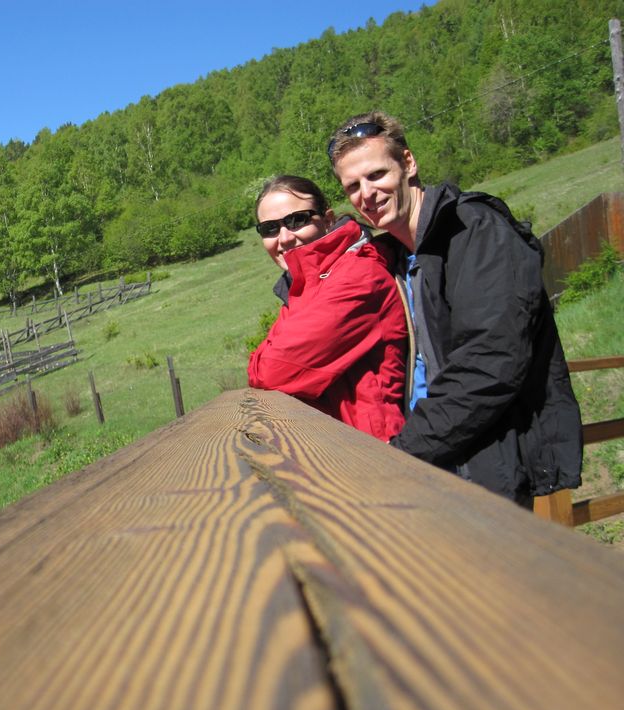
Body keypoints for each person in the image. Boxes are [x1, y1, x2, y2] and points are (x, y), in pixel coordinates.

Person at [328, 110, 582, 505]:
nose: (367, 194)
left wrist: (402, 451)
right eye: (353, 186)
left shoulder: (474, 230)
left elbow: (490, 364)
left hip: (481, 464)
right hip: (430, 461)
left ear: (408, 162)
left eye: (377, 174)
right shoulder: (396, 256)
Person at [247, 175, 407, 442]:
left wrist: (262, 361)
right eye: (270, 229)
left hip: (374, 448)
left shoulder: (357, 276)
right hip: (332, 444)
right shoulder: (304, 286)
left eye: (297, 220)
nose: (284, 238)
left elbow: (270, 372)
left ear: (328, 219)